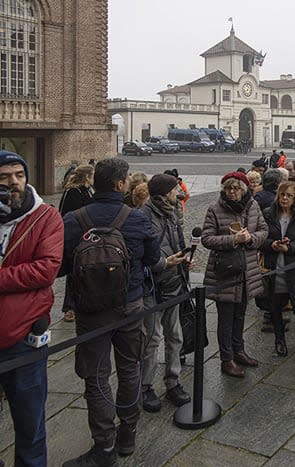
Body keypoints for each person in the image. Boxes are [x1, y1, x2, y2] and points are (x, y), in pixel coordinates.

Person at [61, 158, 163, 466]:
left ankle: (104, 447)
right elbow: (152, 259)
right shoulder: (136, 219)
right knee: (129, 369)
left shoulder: (74, 218)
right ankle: (128, 432)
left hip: (90, 311)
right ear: (120, 185)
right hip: (130, 305)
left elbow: (63, 266)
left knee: (96, 378)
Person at [0, 151, 63, 467]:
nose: (13, 183)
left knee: (29, 424)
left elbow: (46, 270)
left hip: (23, 338)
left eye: (19, 175)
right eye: (4, 177)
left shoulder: (45, 217)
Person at [202, 172, 268, 378]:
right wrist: (233, 240)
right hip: (225, 271)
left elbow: (264, 230)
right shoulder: (215, 209)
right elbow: (207, 238)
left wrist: (251, 239)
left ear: (244, 190)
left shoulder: (253, 206)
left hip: (247, 269)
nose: (232, 192)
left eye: (236, 188)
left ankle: (239, 350)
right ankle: (226, 358)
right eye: (229, 188)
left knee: (240, 314)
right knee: (226, 318)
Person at [139, 174, 192, 413]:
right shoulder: (142, 216)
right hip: (152, 286)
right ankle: (145, 386)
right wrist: (163, 263)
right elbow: (138, 255)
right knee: (151, 339)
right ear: (163, 193)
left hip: (174, 282)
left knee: (175, 335)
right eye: (174, 189)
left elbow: (178, 241)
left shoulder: (171, 211)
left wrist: (184, 259)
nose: (177, 191)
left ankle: (173, 381)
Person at [261, 181, 295, 357]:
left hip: (294, 268)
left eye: (289, 195)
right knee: (275, 307)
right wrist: (273, 244)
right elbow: (262, 238)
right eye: (282, 194)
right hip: (274, 268)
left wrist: (289, 247)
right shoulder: (269, 213)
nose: (285, 198)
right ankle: (279, 340)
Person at [58, 164, 94, 322]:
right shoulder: (73, 191)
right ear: (87, 177)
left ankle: (82, 303)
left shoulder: (87, 190)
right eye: (92, 175)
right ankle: (69, 306)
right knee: (74, 272)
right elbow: (66, 215)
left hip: (86, 236)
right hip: (75, 237)